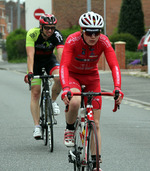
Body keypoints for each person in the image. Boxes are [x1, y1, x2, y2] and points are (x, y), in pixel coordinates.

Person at [59, 11, 124, 171]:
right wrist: (66, 88)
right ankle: (69, 127)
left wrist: (117, 88)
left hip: (91, 78)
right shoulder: (72, 40)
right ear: (82, 31)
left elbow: (114, 65)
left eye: (97, 32)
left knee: (95, 123)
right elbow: (64, 66)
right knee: (74, 101)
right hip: (73, 76)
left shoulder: (103, 41)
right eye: (89, 32)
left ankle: (96, 162)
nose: (93, 36)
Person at [24, 14, 64, 139]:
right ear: (41, 27)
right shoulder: (32, 34)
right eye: (47, 28)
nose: (50, 31)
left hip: (49, 61)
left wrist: (64, 70)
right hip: (35, 63)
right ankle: (37, 127)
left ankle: (52, 101)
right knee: (36, 93)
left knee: (59, 78)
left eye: (52, 28)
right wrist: (30, 73)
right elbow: (30, 56)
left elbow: (61, 55)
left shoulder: (57, 35)